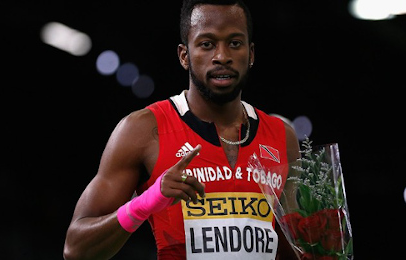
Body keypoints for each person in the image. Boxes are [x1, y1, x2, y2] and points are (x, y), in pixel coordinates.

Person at [63, 0, 300, 259]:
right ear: (184, 56)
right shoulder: (143, 130)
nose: (222, 56)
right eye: (207, 44)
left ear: (251, 54)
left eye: (234, 43)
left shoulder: (282, 137)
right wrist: (145, 203)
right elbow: (76, 248)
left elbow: (294, 247)